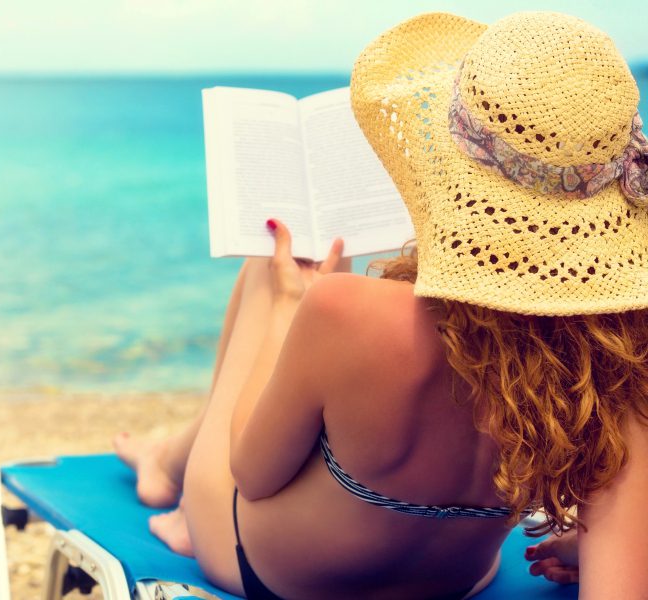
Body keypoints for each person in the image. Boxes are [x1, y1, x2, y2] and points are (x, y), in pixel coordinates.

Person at [115, 12, 648, 599]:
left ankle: (177, 491)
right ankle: (165, 459)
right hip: (458, 583)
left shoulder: (345, 310)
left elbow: (252, 474)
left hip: (273, 575)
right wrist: (587, 543)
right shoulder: (621, 363)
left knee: (271, 271)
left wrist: (291, 312)